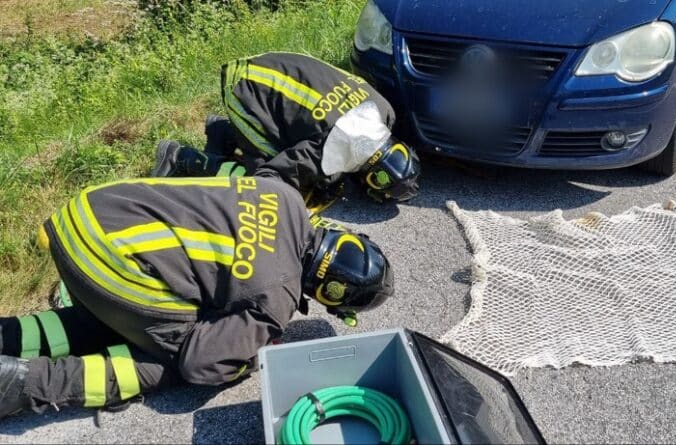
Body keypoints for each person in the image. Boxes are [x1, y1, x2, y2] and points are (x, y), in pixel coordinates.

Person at [0, 175, 393, 418]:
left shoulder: (286, 196)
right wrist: (248, 359)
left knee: (131, 320)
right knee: (169, 361)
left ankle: (10, 336)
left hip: (87, 213)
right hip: (105, 261)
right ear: (330, 294)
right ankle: (23, 386)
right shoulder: (278, 300)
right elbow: (201, 366)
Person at [151, 52, 421, 206]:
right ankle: (180, 158)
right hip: (246, 88)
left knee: (297, 150)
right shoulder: (325, 154)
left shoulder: (384, 110)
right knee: (263, 188)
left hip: (279, 65)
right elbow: (271, 177)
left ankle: (223, 131)